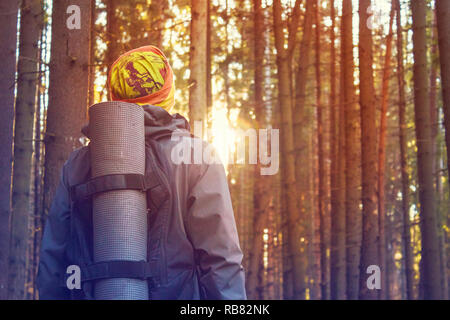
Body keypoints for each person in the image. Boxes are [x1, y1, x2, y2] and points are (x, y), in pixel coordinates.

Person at [37, 45, 246, 300]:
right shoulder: (197, 156)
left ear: (115, 96)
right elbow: (221, 260)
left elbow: (54, 261)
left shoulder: (78, 164)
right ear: (167, 94)